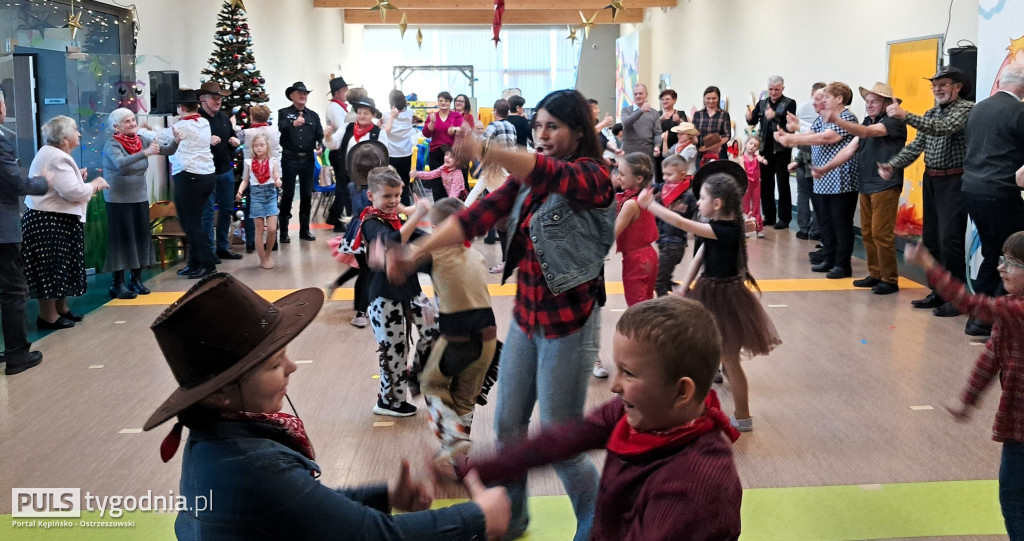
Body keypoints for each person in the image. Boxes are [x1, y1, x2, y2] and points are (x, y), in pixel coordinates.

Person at [387, 89, 614, 541]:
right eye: (540, 125)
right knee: (510, 427)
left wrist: (487, 149)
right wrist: (412, 254)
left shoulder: (594, 175)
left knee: (560, 438)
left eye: (555, 126)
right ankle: (512, 519)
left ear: (578, 132)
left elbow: (549, 171)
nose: (543, 135)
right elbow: (473, 217)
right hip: (528, 320)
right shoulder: (526, 180)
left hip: (570, 325)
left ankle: (597, 527)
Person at [142, 273, 510, 540]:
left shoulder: (212, 439)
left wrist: (384, 496)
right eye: (274, 365)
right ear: (220, 394)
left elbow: (301, 506)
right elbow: (377, 537)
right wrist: (478, 516)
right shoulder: (254, 464)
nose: (292, 367)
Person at [442, 296, 742, 541]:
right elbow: (560, 441)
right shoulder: (642, 416)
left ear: (682, 391)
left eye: (629, 373)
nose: (614, 385)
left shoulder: (696, 483)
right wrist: (475, 470)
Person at [639, 161, 782, 432]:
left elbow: (682, 223)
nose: (699, 202)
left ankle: (743, 417)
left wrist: (651, 205)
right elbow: (702, 253)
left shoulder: (727, 230)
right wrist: (685, 286)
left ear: (717, 203)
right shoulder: (718, 224)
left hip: (726, 297)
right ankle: (701, 398)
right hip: (707, 289)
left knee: (730, 358)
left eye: (702, 198)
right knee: (704, 348)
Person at [904, 236, 1024, 540]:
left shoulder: (1017, 310)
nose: (1000, 268)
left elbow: (970, 303)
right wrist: (966, 400)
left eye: (1012, 264)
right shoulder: (1010, 310)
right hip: (1019, 424)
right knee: (1013, 496)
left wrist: (929, 265)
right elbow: (991, 356)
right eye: (1002, 259)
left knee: (1014, 499)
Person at [403, 197, 500, 468]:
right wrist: (437, 307)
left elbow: (399, 261)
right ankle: (461, 462)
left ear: (437, 230)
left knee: (430, 385)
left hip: (460, 338)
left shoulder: (436, 254)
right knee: (465, 399)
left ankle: (453, 439)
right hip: (489, 339)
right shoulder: (478, 256)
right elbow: (463, 290)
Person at [882, 66, 974, 318]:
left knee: (949, 240)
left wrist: (904, 115)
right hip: (931, 178)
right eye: (934, 84)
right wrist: (893, 164)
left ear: (957, 87)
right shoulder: (931, 112)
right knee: (932, 239)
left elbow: (942, 128)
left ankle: (956, 299)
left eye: (943, 84)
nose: (937, 89)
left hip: (954, 180)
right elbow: (917, 145)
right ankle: (938, 291)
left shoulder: (966, 109)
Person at [813, 82, 907, 295]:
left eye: (874, 101)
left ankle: (889, 279)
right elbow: (849, 149)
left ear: (886, 103)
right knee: (866, 232)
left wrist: (836, 119)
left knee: (881, 233)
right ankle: (875, 274)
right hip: (865, 184)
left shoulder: (894, 122)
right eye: (868, 101)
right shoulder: (867, 120)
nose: (870, 105)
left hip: (885, 184)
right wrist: (825, 168)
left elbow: (866, 133)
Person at [361, 167, 440, 416]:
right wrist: (418, 215)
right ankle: (390, 402)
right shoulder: (370, 223)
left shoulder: (397, 219)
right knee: (394, 351)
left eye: (396, 195)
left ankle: (417, 378)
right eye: (387, 196)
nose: (393, 201)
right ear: (370, 196)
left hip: (412, 292)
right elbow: (393, 240)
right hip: (384, 298)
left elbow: (419, 239)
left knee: (433, 332)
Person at [24, 115, 110, 329]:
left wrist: (77, 177)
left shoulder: (54, 154)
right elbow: (73, 192)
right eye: (74, 130)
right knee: (51, 268)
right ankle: (48, 316)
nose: (79, 134)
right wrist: (96, 184)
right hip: (49, 221)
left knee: (61, 266)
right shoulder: (57, 157)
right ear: (63, 138)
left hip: (56, 220)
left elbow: (64, 186)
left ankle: (61, 309)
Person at [958, 62, 1024, 337]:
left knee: (993, 251)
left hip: (973, 190)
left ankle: (980, 318)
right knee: (1011, 253)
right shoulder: (1018, 112)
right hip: (1001, 192)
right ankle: (990, 319)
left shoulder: (979, 108)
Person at [777, 82, 859, 279]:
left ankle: (842, 264)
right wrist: (789, 136)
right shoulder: (823, 118)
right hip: (822, 179)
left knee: (841, 223)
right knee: (825, 222)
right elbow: (812, 134)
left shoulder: (847, 117)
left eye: (827, 97)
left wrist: (792, 140)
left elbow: (826, 139)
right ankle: (829, 258)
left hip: (841, 181)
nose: (822, 101)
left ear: (839, 99)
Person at [102, 107, 175, 299]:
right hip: (118, 199)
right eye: (127, 121)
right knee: (122, 239)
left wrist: (177, 141)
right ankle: (117, 284)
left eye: (133, 120)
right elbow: (120, 163)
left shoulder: (141, 140)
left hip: (139, 197)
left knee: (141, 237)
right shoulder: (111, 144)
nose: (132, 124)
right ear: (116, 127)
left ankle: (136, 279)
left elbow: (167, 149)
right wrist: (145, 153)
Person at [0, 86, 47, 374]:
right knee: (14, 290)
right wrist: (43, 182)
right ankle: (17, 355)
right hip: (3, 231)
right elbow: (15, 183)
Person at [336, 141, 390, 329]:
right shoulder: (377, 189)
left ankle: (362, 308)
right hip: (370, 231)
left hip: (355, 233)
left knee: (364, 271)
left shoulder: (353, 186)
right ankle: (361, 311)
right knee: (368, 272)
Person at [165, 89, 218, 280]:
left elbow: (162, 139)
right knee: (193, 221)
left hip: (189, 177)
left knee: (190, 223)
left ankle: (207, 263)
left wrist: (144, 129)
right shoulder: (204, 122)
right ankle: (194, 263)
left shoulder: (182, 127)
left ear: (181, 108)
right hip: (206, 177)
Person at [197, 81, 243, 262]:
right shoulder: (197, 121)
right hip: (206, 173)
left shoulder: (223, 118)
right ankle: (209, 251)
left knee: (226, 210)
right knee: (208, 214)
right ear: (202, 99)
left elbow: (230, 139)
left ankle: (223, 247)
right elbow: (188, 145)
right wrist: (205, 141)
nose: (218, 101)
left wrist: (233, 143)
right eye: (214, 98)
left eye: (220, 98)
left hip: (225, 170)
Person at [746, 75, 797, 229]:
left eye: (777, 89)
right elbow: (753, 120)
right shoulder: (762, 103)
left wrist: (776, 117)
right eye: (771, 89)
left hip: (781, 149)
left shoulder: (790, 103)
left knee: (782, 184)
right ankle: (769, 216)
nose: (773, 92)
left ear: (782, 89)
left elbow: (791, 125)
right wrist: (748, 117)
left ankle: (784, 218)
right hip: (764, 148)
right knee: (766, 184)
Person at [278, 81, 324, 243]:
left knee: (306, 194)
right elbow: (281, 127)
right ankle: (283, 231)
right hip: (290, 158)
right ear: (292, 96)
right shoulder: (284, 113)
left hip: (308, 158)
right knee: (288, 195)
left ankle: (305, 230)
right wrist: (293, 124)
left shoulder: (313, 115)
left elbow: (320, 135)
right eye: (300, 93)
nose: (303, 96)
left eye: (305, 93)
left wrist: (321, 146)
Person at [615, 153, 659, 306]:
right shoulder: (645, 196)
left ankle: (640, 330)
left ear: (639, 178)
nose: (618, 177)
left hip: (635, 260)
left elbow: (612, 232)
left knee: (636, 307)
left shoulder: (630, 204)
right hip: (649, 255)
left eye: (622, 174)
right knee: (646, 303)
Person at [655, 153, 698, 298]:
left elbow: (699, 215)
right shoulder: (660, 190)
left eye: (669, 174)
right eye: (664, 174)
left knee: (658, 282)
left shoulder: (689, 196)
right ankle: (687, 296)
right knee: (665, 281)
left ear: (682, 174)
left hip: (675, 244)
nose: (665, 178)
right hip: (662, 241)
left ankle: (665, 308)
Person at [237, 133, 282, 270]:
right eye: (256, 146)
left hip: (270, 194)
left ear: (267, 146)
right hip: (256, 195)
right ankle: (262, 259)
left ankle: (268, 254)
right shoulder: (249, 163)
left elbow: (276, 176)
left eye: (261, 145)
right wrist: (240, 191)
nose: (259, 148)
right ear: (252, 148)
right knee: (259, 229)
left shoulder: (272, 161)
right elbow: (245, 180)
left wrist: (278, 181)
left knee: (273, 229)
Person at [792, 82, 826, 241]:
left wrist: (792, 139)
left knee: (805, 194)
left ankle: (804, 229)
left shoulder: (804, 108)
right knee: (815, 195)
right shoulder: (822, 117)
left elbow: (800, 132)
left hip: (807, 157)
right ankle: (815, 230)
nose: (815, 103)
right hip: (813, 158)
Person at [421, 92, 465, 201]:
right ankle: (439, 210)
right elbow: (426, 133)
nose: (443, 103)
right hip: (435, 153)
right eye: (441, 101)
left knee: (452, 183)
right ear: (438, 102)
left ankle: (452, 207)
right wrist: (431, 124)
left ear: (450, 103)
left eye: (446, 101)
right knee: (436, 183)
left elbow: (463, 130)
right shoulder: (432, 116)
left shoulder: (456, 115)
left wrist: (454, 130)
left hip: (451, 154)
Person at [324, 76, 352, 225]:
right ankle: (336, 216)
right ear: (337, 93)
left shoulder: (341, 107)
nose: (346, 93)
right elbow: (343, 126)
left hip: (343, 151)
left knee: (345, 187)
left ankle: (338, 216)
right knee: (343, 187)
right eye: (344, 91)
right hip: (339, 151)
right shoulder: (334, 108)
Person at [383, 89, 417, 206]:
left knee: (389, 184)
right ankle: (405, 211)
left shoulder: (386, 116)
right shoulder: (410, 113)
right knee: (405, 184)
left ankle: (391, 209)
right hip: (405, 153)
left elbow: (383, 131)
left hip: (390, 154)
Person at [620, 84, 662, 159]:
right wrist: (641, 111)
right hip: (628, 153)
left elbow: (658, 133)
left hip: (646, 153)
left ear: (646, 95)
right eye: (635, 94)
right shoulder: (626, 110)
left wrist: (657, 146)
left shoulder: (654, 113)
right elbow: (626, 123)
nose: (638, 96)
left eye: (640, 93)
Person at [691, 86, 732, 161]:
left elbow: (727, 135)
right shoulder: (698, 114)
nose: (711, 101)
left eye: (714, 98)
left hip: (719, 154)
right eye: (708, 98)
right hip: (701, 154)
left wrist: (713, 146)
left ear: (718, 99)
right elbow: (693, 133)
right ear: (704, 99)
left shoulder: (724, 114)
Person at [655, 89, 687, 183]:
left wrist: (679, 121)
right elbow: (652, 128)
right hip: (659, 150)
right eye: (663, 99)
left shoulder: (680, 113)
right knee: (660, 175)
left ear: (674, 100)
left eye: (667, 99)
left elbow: (688, 128)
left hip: (675, 149)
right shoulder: (657, 114)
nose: (664, 101)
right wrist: (661, 119)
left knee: (674, 174)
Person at [741, 135, 769, 238]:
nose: (752, 147)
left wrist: (764, 161)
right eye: (751, 143)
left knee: (756, 206)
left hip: (756, 184)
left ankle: (759, 228)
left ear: (757, 148)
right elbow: (743, 169)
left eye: (755, 146)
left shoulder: (757, 157)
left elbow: (761, 159)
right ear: (746, 144)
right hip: (746, 183)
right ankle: (746, 229)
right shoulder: (741, 158)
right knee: (746, 206)